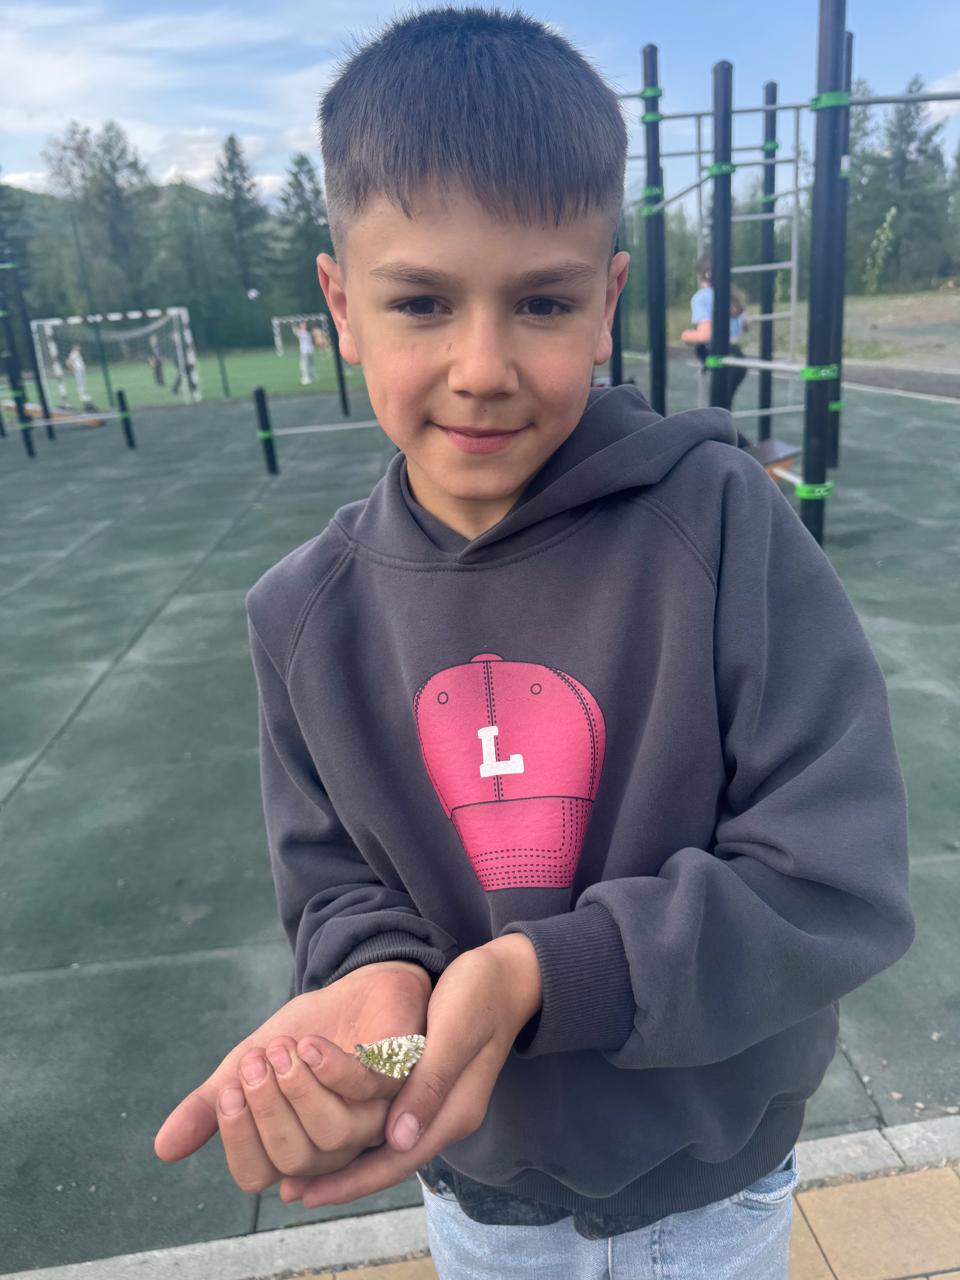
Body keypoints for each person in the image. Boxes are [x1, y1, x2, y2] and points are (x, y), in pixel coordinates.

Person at [153, 9, 915, 1278]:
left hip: (714, 1188)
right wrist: (377, 987)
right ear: (341, 303)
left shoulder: (725, 525)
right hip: (476, 1193)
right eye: (421, 301)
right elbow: (338, 892)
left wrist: (542, 975)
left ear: (607, 301)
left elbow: (837, 879)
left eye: (542, 301)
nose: (481, 365)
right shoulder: (301, 616)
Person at [681, 254, 753, 447]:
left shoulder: (702, 297)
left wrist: (686, 335)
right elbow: (745, 326)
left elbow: (705, 335)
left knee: (718, 418)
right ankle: (738, 448)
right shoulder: (731, 296)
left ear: (702, 276)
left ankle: (742, 449)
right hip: (737, 359)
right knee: (722, 413)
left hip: (721, 360)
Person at [65, 343, 95, 410]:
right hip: (78, 370)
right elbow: (69, 362)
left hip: (81, 370)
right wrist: (72, 369)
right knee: (80, 383)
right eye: (77, 347)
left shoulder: (77, 353)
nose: (79, 348)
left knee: (84, 382)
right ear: (74, 348)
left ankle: (85, 394)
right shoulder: (73, 354)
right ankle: (81, 396)